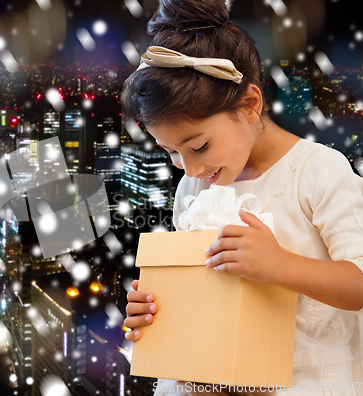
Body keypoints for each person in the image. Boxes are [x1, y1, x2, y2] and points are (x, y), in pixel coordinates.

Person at [121, 0, 363, 395]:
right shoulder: (194, 189)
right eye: (171, 152)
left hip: (303, 381)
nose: (189, 167)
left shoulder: (318, 172)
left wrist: (279, 264)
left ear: (250, 105)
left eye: (198, 146)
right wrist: (157, 306)